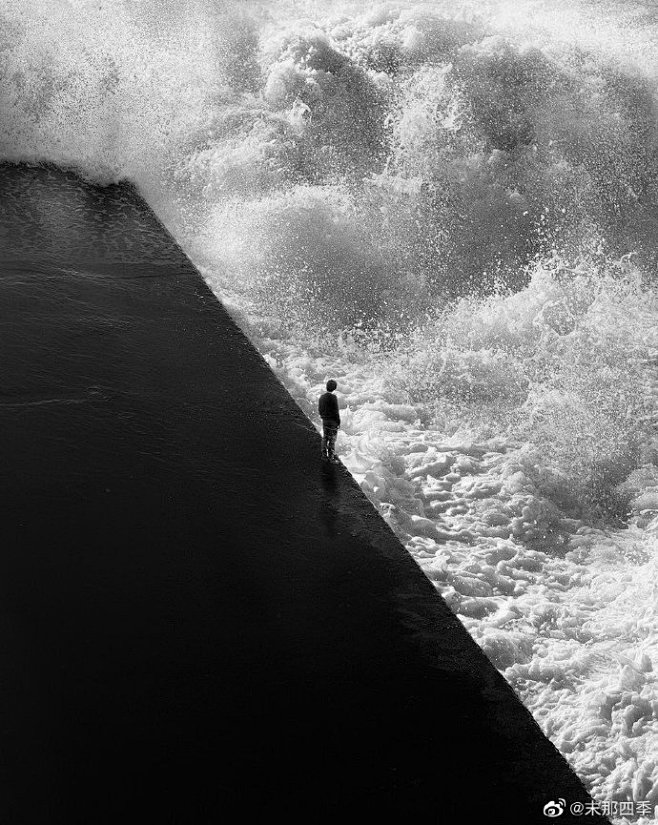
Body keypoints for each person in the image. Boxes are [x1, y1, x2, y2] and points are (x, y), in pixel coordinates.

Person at [318, 379, 340, 463]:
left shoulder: (322, 397)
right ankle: (331, 458)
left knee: (325, 437)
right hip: (333, 421)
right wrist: (338, 422)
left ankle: (324, 456)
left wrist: (323, 417)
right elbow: (335, 411)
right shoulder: (333, 397)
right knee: (332, 439)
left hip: (325, 420)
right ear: (334, 388)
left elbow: (320, 409)